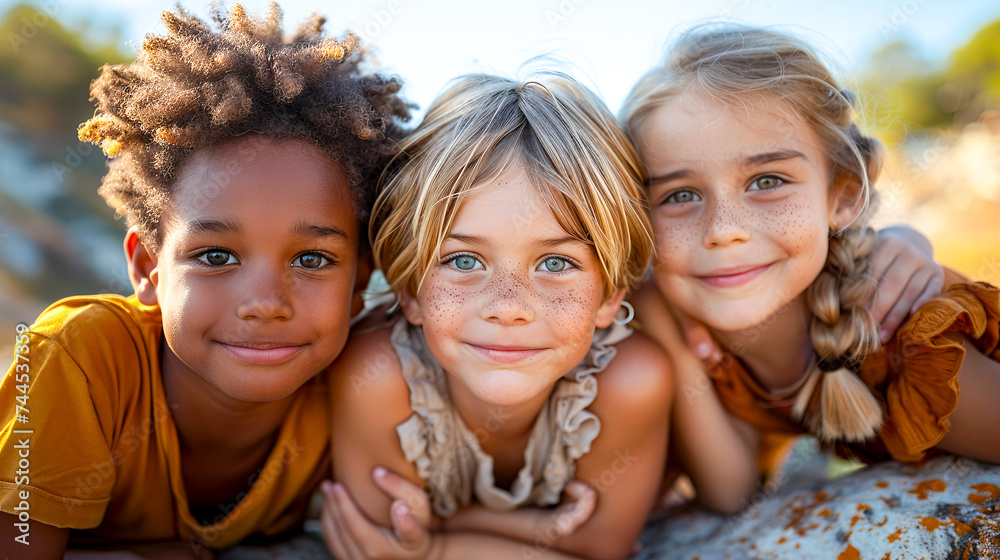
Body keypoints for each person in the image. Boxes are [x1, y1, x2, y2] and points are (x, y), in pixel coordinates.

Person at [0, 3, 411, 557]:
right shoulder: (80, 359)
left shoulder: (362, 388)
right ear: (148, 269)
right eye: (216, 256)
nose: (266, 304)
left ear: (361, 279)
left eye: (311, 260)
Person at [620, 24, 1000, 514]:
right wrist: (665, 327)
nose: (724, 230)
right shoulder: (696, 332)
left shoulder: (895, 328)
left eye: (767, 180)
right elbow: (731, 493)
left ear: (844, 195)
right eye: (680, 195)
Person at [322, 73, 673, 560]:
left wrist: (439, 544)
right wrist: (535, 531)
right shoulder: (377, 376)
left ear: (610, 293)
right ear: (409, 289)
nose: (508, 307)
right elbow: (372, 542)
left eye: (556, 264)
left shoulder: (631, 380)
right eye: (463, 261)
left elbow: (603, 543)